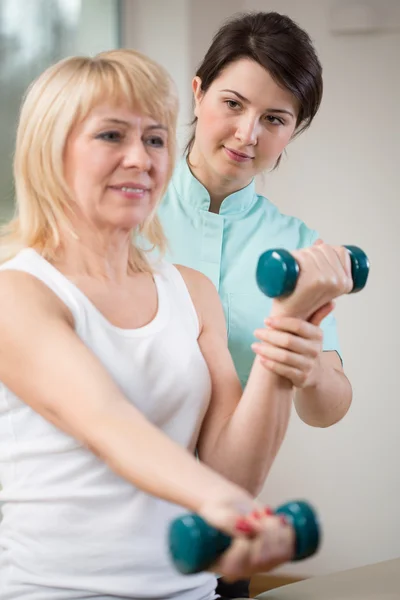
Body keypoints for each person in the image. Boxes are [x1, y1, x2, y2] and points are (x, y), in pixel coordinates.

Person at [0, 49, 352, 600]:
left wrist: (287, 322)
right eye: (111, 136)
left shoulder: (191, 291)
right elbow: (108, 423)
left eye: (155, 139)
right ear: (52, 151)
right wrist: (233, 511)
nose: (140, 158)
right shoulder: (17, 292)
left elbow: (232, 474)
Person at [157, 11, 354, 597]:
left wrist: (310, 363)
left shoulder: (296, 245)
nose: (248, 134)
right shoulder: (128, 206)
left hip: (229, 522)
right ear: (198, 93)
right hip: (110, 507)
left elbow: (328, 407)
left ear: (294, 129)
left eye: (275, 119)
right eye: (234, 104)